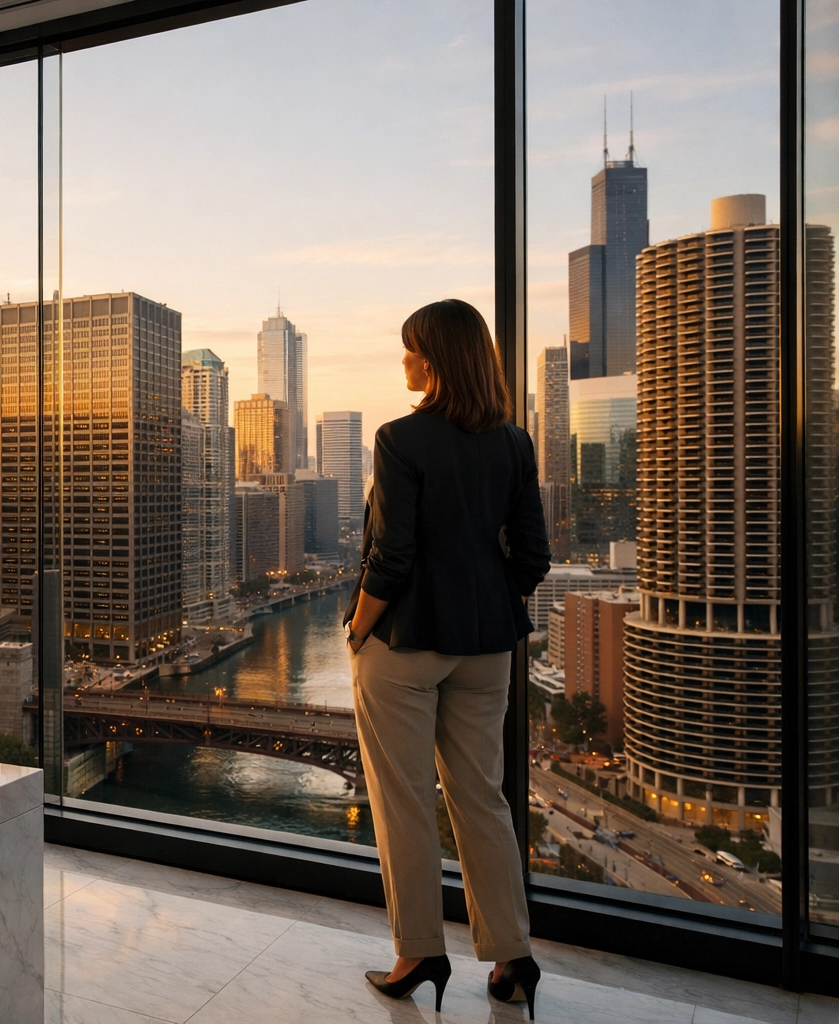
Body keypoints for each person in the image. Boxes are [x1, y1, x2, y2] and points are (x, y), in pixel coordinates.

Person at [344, 298, 551, 1019]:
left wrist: (358, 628)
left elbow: (391, 554)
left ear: (431, 360)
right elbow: (533, 557)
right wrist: (487, 600)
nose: (403, 359)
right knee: (483, 799)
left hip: (404, 644)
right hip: (487, 648)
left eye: (410, 348)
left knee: (404, 801)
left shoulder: (399, 439)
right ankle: (512, 957)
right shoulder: (514, 443)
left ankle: (418, 953)